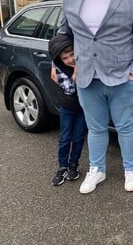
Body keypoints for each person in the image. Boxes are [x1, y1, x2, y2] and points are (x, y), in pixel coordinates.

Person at [58, 0, 133, 194]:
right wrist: (61, 65)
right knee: (96, 128)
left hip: (122, 77)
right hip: (86, 77)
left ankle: (130, 169)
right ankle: (96, 170)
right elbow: (62, 35)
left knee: (125, 127)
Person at [48, 34, 87, 186]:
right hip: (68, 107)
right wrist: (76, 73)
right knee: (65, 138)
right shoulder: (60, 69)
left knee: (78, 137)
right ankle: (62, 166)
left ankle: (74, 165)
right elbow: (71, 89)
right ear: (60, 60)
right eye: (65, 58)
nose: (70, 60)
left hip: (83, 108)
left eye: (72, 55)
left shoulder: (85, 64)